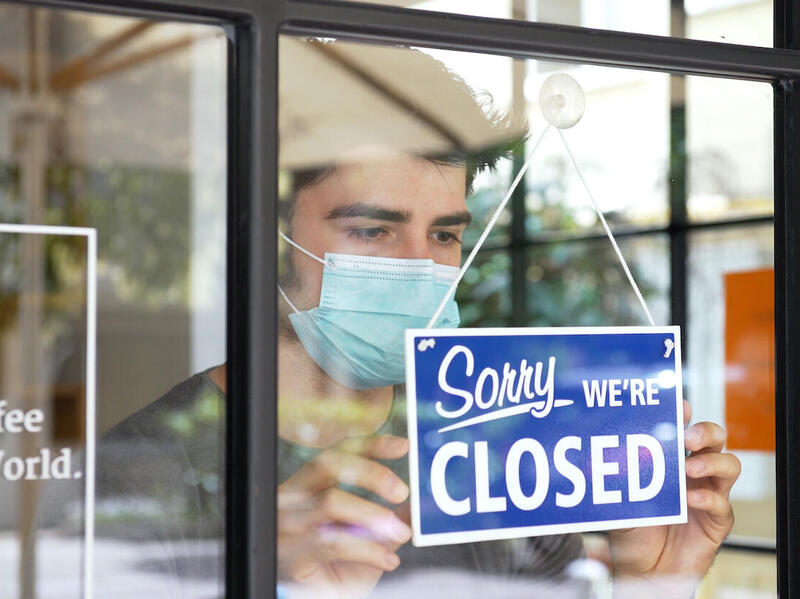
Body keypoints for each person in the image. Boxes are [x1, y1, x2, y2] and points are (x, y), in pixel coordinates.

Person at [35, 40, 740, 599]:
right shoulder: (136, 475)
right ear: (266, 235)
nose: (420, 268)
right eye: (373, 231)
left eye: (443, 236)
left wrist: (655, 583)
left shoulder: (488, 443)